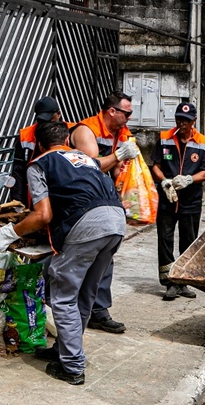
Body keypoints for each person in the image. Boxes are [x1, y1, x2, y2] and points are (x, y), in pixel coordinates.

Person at [0, 122, 127, 386]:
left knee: (63, 297)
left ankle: (72, 367)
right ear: (68, 141)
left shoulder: (40, 164)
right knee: (85, 293)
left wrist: (8, 233)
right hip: (116, 222)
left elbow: (43, 214)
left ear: (39, 145)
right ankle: (65, 349)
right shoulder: (86, 159)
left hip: (87, 225)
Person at [69, 90, 139, 334]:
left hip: (105, 201)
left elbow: (118, 170)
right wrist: (119, 155)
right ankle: (71, 311)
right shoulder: (86, 130)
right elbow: (90, 166)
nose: (129, 118)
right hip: (81, 202)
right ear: (112, 111)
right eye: (127, 113)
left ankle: (97, 311)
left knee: (105, 256)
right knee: (79, 259)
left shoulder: (121, 133)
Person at [151, 102, 205, 301]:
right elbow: (156, 166)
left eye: (186, 120)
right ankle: (169, 282)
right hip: (167, 199)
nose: (181, 123)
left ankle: (183, 281)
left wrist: (189, 179)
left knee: (188, 240)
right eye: (179, 119)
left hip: (191, 201)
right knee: (165, 239)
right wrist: (164, 181)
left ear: (194, 121)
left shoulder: (201, 142)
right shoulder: (164, 138)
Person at [10, 96, 74, 205]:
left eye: (49, 120)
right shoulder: (26, 136)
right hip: (36, 194)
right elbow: (18, 172)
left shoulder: (73, 132)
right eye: (42, 121)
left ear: (59, 114)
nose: (46, 125)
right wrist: (17, 203)